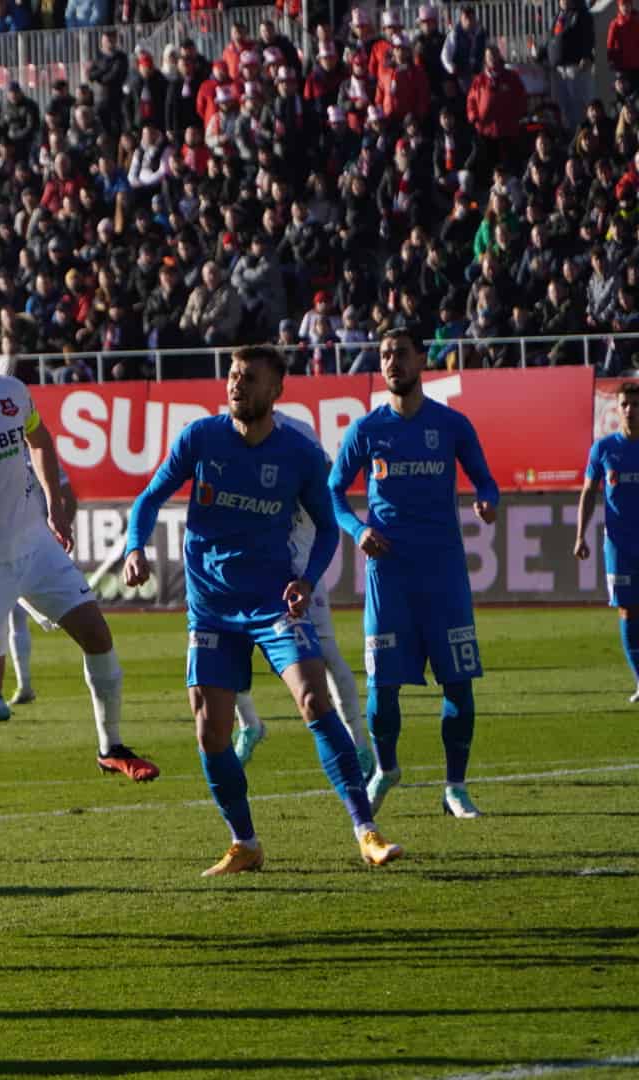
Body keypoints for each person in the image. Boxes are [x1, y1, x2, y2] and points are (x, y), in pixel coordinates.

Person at [124, 346, 401, 876]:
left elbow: (325, 527)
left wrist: (306, 579)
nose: (236, 385)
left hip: (273, 600)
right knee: (210, 730)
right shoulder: (200, 437)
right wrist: (136, 546)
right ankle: (244, 843)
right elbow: (149, 498)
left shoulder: (297, 453)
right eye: (232, 376)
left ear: (277, 391)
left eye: (249, 378)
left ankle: (366, 830)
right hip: (210, 608)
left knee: (314, 699)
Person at [0, 310, 156, 864]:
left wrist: (56, 504)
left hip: (35, 544)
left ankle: (110, 747)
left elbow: (40, 440)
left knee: (98, 635)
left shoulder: (13, 391)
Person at [329, 326, 498, 821]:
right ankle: (386, 769)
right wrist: (358, 530)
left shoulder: (451, 425)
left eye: (401, 353)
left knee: (458, 683)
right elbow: (334, 492)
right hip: (388, 575)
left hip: (444, 572)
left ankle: (456, 787)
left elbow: (485, 478)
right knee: (381, 686)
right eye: (384, 355)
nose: (391, 362)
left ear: (422, 359)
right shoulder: (366, 430)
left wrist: (488, 499)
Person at [231, 411, 371, 780]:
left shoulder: (298, 429)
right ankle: (249, 725)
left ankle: (359, 745)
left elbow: (323, 484)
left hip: (297, 558)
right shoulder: (226, 427)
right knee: (222, 650)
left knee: (325, 653)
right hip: (248, 560)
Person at [575, 383, 639, 701]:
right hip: (619, 546)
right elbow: (589, 492)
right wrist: (580, 535)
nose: (630, 410)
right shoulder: (603, 449)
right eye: (625, 404)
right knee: (627, 610)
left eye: (635, 404)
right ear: (617, 408)